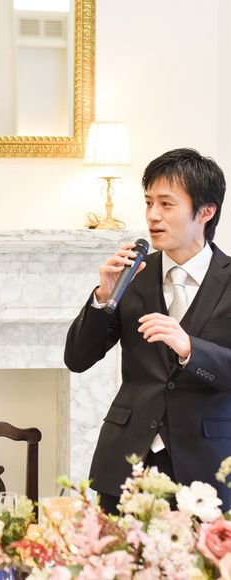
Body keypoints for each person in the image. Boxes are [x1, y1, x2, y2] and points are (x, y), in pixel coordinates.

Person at [64, 148, 231, 514]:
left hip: (208, 468)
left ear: (206, 211)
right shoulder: (131, 276)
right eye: (149, 202)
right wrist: (102, 298)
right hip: (126, 462)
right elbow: (77, 359)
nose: (153, 215)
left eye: (167, 204)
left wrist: (190, 349)